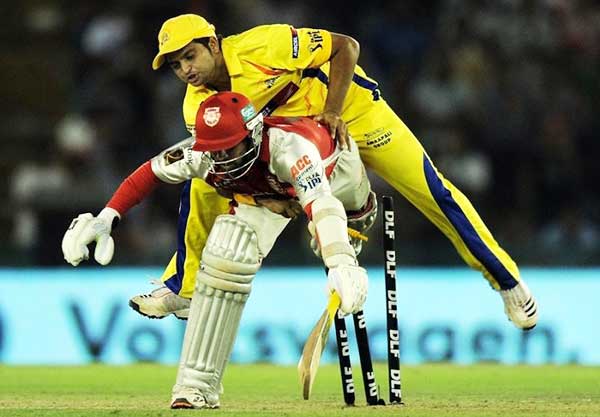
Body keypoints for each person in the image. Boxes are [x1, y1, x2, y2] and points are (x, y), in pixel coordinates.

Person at [66, 14, 538, 330]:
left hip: (354, 113)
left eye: (190, 56)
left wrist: (333, 110)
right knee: (202, 181)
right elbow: (228, 166)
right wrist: (273, 197)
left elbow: (346, 47)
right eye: (175, 65)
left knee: (434, 192)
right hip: (299, 143)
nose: (186, 70)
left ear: (213, 44)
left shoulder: (263, 44)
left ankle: (508, 283)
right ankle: (183, 287)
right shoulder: (197, 107)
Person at [63, 91, 373, 408]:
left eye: (229, 147)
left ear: (253, 134)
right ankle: (195, 387)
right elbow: (148, 173)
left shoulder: (291, 149)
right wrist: (106, 218)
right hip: (268, 193)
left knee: (331, 225)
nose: (222, 158)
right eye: (214, 149)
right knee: (228, 249)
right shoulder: (201, 153)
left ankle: (353, 232)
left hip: (336, 177)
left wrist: (340, 261)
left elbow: (321, 202)